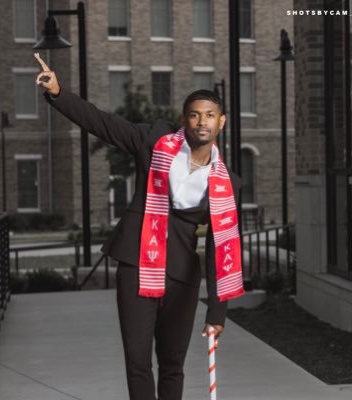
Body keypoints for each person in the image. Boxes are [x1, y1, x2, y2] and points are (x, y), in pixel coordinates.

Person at [34, 52, 244, 400]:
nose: (201, 122)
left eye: (209, 115)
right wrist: (59, 93)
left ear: (221, 122)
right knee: (137, 360)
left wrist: (217, 312)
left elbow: (224, 249)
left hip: (181, 274)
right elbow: (103, 124)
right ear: (184, 120)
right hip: (136, 261)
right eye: (194, 115)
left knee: (173, 363)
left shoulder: (228, 183)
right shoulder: (154, 141)